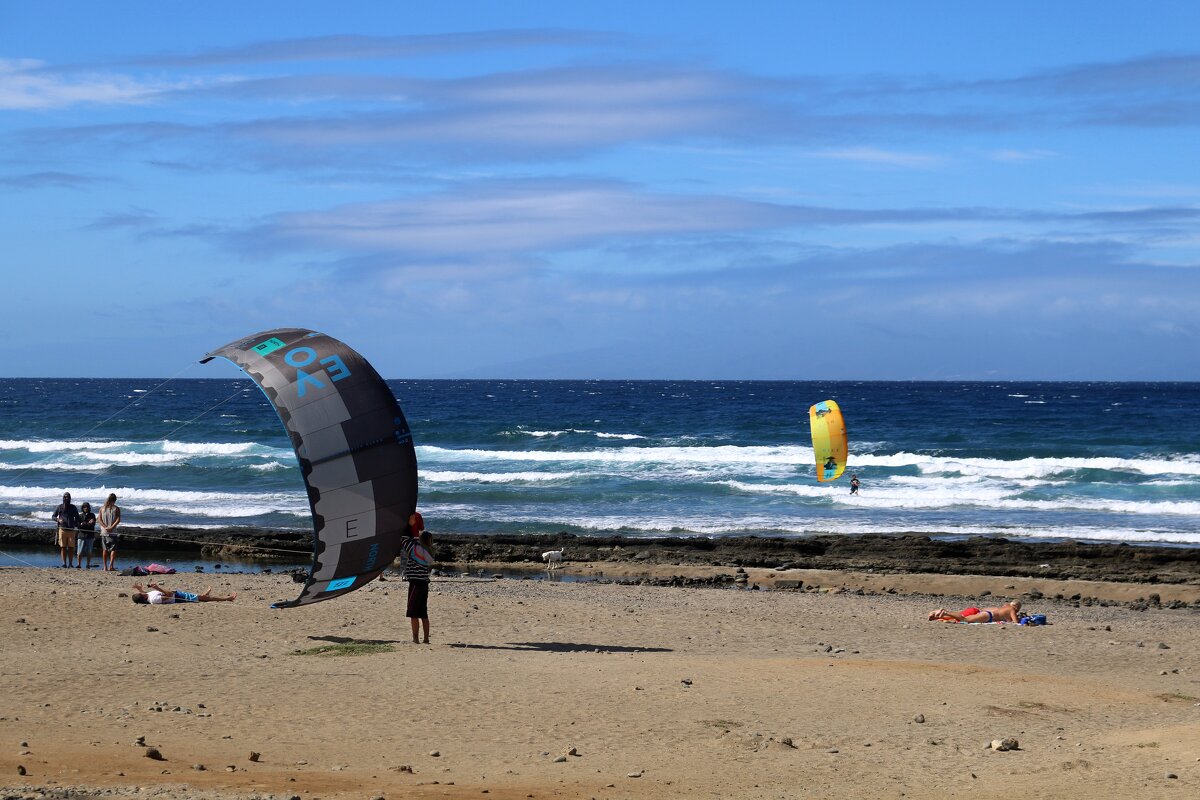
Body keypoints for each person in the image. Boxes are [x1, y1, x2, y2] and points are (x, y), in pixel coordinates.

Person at [401, 527, 433, 644]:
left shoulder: (414, 550)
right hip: (424, 584)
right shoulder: (428, 552)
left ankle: (415, 639)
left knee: (413, 613)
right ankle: (426, 639)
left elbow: (404, 540)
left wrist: (408, 526)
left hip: (415, 584)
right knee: (423, 613)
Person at [131, 582, 236, 604]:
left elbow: (147, 593)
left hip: (177, 594)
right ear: (143, 599)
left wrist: (139, 589)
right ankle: (228, 599)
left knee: (201, 597)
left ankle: (205, 594)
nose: (144, 593)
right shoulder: (153, 600)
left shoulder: (147, 595)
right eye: (142, 594)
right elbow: (169, 596)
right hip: (178, 598)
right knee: (204, 599)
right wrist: (158, 588)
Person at [928, 600, 1022, 624]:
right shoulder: (1012, 609)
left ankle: (938, 616)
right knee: (965, 619)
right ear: (1016, 607)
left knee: (962, 617)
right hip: (988, 616)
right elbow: (1015, 622)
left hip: (986, 613)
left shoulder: (1005, 606)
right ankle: (945, 612)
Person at [51, 492, 80, 568]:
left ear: (70, 498)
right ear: (63, 498)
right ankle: (64, 563)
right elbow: (53, 516)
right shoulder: (60, 507)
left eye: (68, 497)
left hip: (71, 530)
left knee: (71, 548)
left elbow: (77, 518)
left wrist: (76, 525)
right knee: (63, 547)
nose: (66, 498)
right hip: (62, 529)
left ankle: (70, 563)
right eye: (65, 497)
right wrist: (58, 520)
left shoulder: (73, 507)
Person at [97, 493, 121, 572]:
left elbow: (99, 520)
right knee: (113, 549)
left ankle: (105, 567)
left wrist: (105, 527)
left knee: (105, 549)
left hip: (104, 531)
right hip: (112, 531)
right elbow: (118, 520)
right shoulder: (116, 508)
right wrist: (111, 527)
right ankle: (111, 566)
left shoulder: (102, 508)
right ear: (114, 500)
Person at [76, 502, 98, 569]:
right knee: (79, 552)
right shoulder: (80, 515)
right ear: (82, 508)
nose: (86, 508)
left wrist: (84, 524)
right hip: (81, 535)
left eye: (87, 507)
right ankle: (79, 564)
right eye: (84, 507)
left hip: (90, 536)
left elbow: (92, 524)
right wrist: (87, 524)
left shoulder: (92, 515)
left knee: (89, 551)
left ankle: (88, 564)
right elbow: (78, 526)